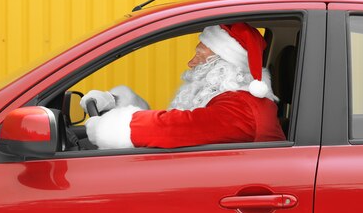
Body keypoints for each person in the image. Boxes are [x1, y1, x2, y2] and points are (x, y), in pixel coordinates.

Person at [81, 22, 286, 149]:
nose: (191, 63)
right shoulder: (234, 100)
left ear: (225, 63)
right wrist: (117, 102)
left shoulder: (243, 108)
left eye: (200, 54)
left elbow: (183, 126)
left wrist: (113, 128)